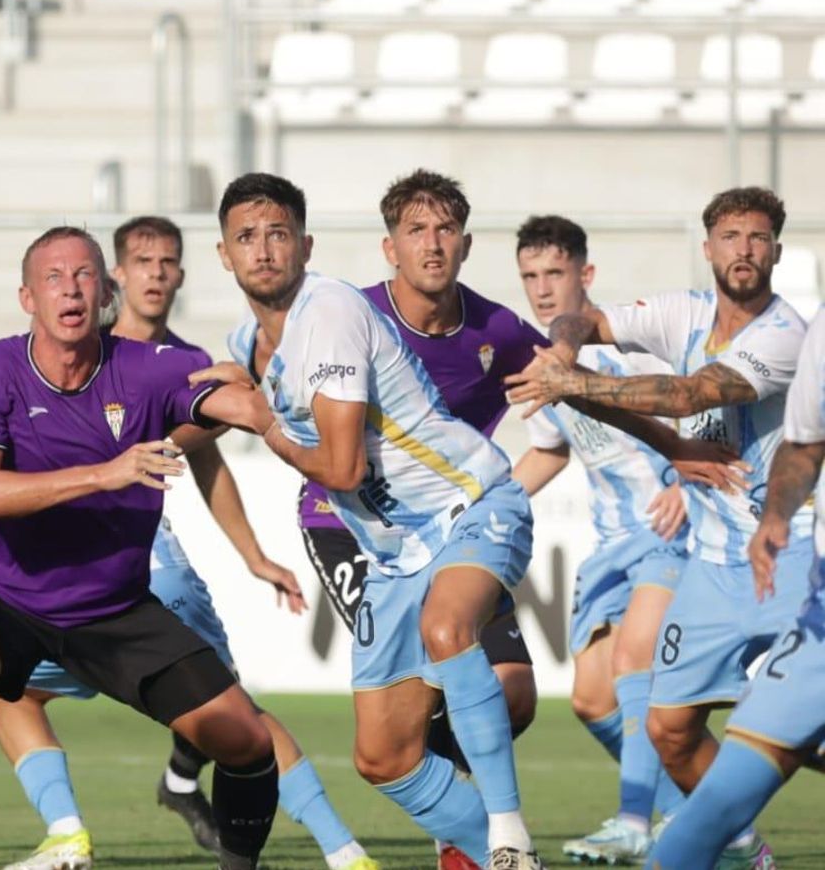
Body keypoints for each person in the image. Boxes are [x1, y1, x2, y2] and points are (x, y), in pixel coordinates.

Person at [0, 227, 284, 870]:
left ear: (106, 291)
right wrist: (106, 472)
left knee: (248, 740)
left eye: (85, 275)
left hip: (113, 606)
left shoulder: (149, 367)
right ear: (27, 296)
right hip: (5, 592)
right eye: (55, 277)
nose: (71, 289)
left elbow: (236, 404)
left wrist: (271, 403)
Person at [209, 172, 544, 868]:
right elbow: (211, 395)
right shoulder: (246, 340)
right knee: (383, 757)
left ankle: (508, 833)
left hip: (469, 507)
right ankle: (490, 852)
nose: (264, 250)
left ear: (306, 245)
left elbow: (343, 471)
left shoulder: (328, 312)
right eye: (247, 237)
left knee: (451, 631)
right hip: (393, 554)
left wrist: (265, 425)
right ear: (224, 254)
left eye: (278, 235)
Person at [506, 186, 814, 868]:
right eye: (730, 237)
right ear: (708, 248)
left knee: (800, 733)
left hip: (786, 555)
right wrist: (563, 354)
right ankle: (737, 846)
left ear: (776, 252)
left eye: (758, 238)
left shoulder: (785, 334)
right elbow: (584, 323)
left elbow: (688, 396)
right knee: (668, 728)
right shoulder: (684, 311)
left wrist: (572, 383)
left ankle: (651, 823)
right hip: (709, 566)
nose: (744, 250)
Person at [297, 170, 540, 784]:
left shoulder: (496, 331)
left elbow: (570, 378)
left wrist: (671, 441)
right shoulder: (351, 316)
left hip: (452, 525)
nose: (432, 243)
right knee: (423, 691)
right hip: (354, 528)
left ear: (465, 243)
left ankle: (461, 822)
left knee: (511, 694)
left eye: (446, 229)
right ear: (390, 248)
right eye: (416, 230)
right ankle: (474, 831)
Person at [508, 215, 690, 861]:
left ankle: (636, 819)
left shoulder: (633, 347)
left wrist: (683, 482)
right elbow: (549, 452)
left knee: (634, 662)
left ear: (586, 275)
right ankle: (693, 810)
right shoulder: (543, 366)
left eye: (555, 272)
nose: (542, 288)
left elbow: (706, 406)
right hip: (610, 544)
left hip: (671, 531)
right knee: (591, 699)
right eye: (530, 276)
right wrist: (484, 501)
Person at [646, 306, 825, 868]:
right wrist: (774, 517)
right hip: (816, 607)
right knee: (689, 756)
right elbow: (803, 445)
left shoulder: (786, 333)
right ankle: (747, 852)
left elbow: (688, 395)